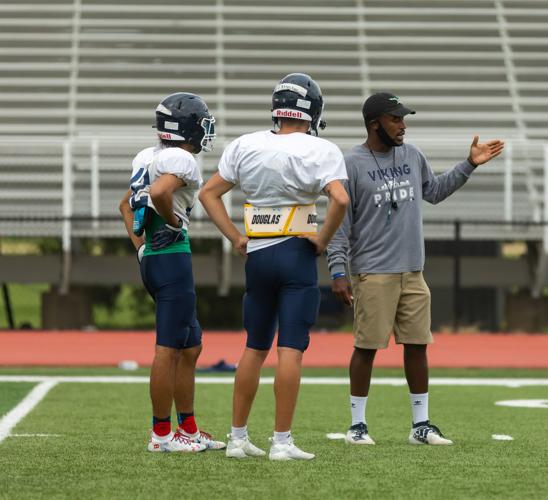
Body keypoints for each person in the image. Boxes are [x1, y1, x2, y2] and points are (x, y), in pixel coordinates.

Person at [326, 92, 505, 446]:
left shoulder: (412, 154)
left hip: (412, 270)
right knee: (366, 347)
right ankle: (357, 426)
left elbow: (434, 191)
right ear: (375, 123)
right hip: (372, 272)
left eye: (403, 118)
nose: (403, 125)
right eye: (396, 119)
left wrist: (469, 164)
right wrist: (337, 271)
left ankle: (420, 425)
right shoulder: (350, 164)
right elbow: (340, 224)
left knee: (418, 345)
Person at [199, 73, 349, 461]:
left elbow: (208, 193)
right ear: (311, 110)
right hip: (296, 254)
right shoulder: (322, 149)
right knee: (291, 350)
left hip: (259, 256)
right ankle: (281, 442)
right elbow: (341, 200)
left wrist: (234, 236)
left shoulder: (245, 144)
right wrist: (322, 239)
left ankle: (236, 439)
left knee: (253, 346)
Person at [119, 92, 226, 453]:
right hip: (171, 257)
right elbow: (162, 191)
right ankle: (161, 435)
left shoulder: (148, 155)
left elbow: (125, 205)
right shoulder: (181, 158)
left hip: (155, 257)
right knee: (167, 349)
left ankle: (189, 428)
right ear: (187, 128)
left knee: (191, 345)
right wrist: (171, 220)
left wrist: (141, 248)